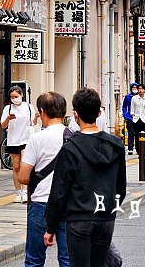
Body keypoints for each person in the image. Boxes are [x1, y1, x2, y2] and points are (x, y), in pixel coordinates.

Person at [44, 87, 126, 267]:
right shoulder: (116, 145)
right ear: (98, 113)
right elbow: (121, 186)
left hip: (79, 217)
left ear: (75, 114)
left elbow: (59, 191)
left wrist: (51, 227)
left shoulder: (70, 148)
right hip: (105, 218)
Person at [18, 91, 72, 267]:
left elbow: (23, 177)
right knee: (67, 260)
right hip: (68, 204)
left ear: (42, 112)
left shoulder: (36, 138)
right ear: (64, 112)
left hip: (41, 204)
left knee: (34, 260)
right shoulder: (74, 138)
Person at [1, 86, 34, 203]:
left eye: (16, 96)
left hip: (26, 139)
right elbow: (3, 126)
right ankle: (18, 192)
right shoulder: (8, 108)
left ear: (22, 95)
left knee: (24, 164)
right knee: (16, 167)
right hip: (13, 140)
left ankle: (25, 192)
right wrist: (8, 119)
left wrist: (38, 118)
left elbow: (32, 123)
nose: (14, 99)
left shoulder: (29, 107)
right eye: (12, 97)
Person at [129, 83, 145, 156]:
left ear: (144, 90)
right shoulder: (134, 98)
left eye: (142, 89)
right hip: (136, 119)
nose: (140, 90)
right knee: (137, 135)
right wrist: (133, 115)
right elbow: (132, 108)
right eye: (139, 89)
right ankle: (138, 151)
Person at [120, 82, 139, 153]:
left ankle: (138, 149)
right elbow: (124, 106)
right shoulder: (128, 97)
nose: (134, 89)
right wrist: (125, 115)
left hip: (137, 117)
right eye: (133, 88)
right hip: (129, 117)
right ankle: (130, 148)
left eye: (135, 88)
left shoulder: (139, 97)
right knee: (131, 132)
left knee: (137, 133)